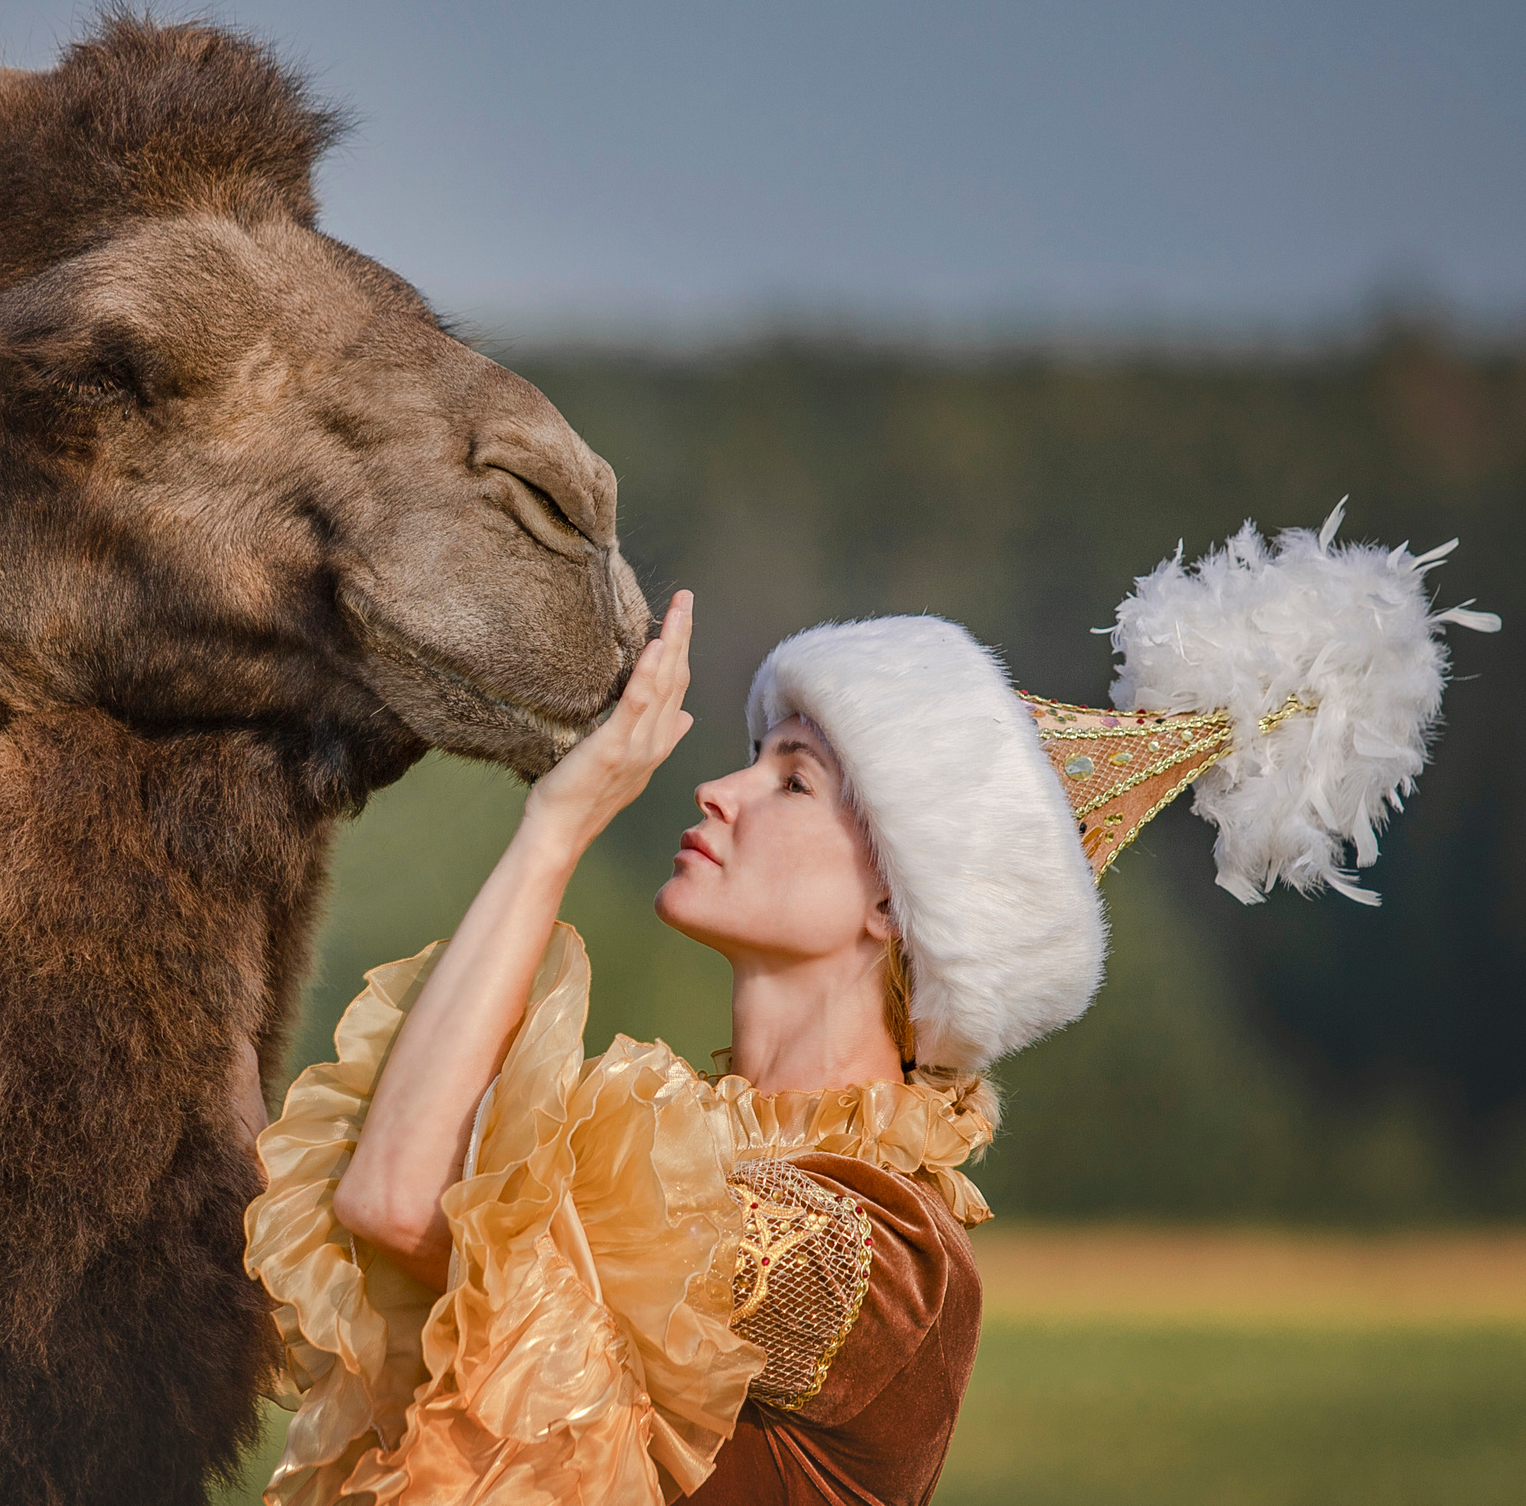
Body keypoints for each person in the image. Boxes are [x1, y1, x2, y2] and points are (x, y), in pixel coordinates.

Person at [244, 505, 1496, 1506]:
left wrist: (562, 820)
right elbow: (396, 1195)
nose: (723, 791)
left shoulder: (882, 1255)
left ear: (896, 899)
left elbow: (399, 1199)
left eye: (790, 778)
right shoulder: (657, 1155)